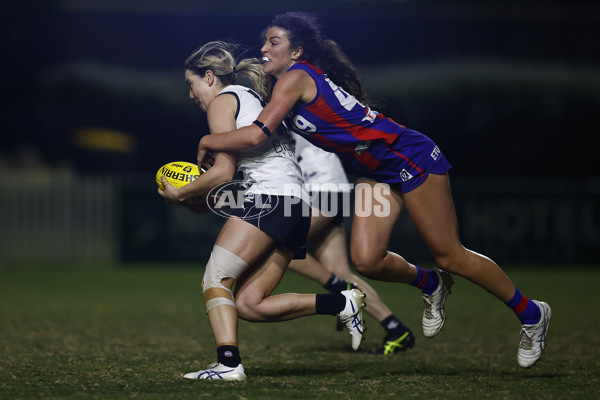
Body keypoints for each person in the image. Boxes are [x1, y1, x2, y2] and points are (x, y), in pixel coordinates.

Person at [194, 14, 552, 369]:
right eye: (264, 41)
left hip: (409, 157)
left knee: (450, 255)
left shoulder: (295, 78)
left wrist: (208, 139)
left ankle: (532, 313)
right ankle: (430, 283)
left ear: (297, 51)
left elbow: (257, 135)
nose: (264, 47)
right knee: (367, 260)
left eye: (274, 41)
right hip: (374, 173)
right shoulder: (282, 89)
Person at [158, 41, 366, 381]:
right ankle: (342, 304)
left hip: (273, 198)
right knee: (250, 304)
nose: (190, 94)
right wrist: (201, 198)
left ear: (208, 77)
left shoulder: (223, 101)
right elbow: (241, 172)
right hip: (296, 202)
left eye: (190, 84)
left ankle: (228, 365)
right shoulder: (250, 97)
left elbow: (223, 173)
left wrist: (180, 193)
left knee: (216, 280)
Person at [287, 133, 415, 355]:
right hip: (325, 186)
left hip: (322, 186)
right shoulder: (280, 105)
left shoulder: (276, 104)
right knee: (341, 272)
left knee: (278, 244)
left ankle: (341, 291)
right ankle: (397, 329)